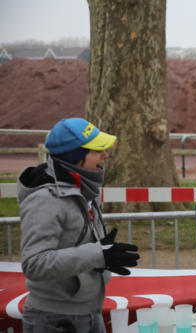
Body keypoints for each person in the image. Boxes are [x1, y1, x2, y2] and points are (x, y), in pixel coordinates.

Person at [18, 118, 140, 333]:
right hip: (54, 320)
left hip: (89, 312)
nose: (106, 155)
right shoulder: (45, 199)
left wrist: (103, 256)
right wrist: (97, 255)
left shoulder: (84, 188)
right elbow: (34, 264)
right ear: (75, 156)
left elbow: (76, 248)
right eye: (97, 150)